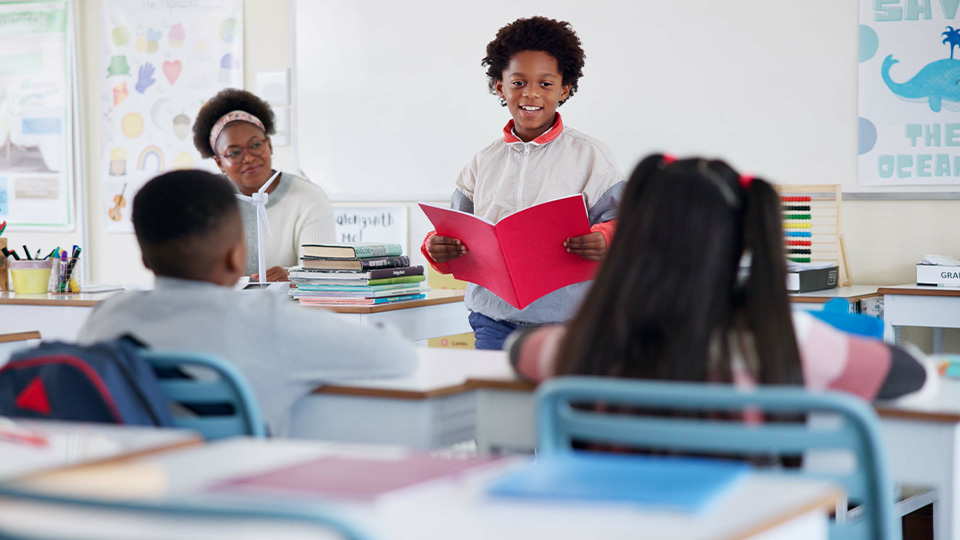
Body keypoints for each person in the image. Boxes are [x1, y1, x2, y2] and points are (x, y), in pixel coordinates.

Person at [510, 154, 935, 401]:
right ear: (743, 243)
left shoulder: (584, 348)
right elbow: (914, 375)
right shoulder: (789, 347)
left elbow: (519, 349)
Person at [79, 170, 417, 435]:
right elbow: (398, 356)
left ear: (145, 257)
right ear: (237, 255)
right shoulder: (268, 320)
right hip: (243, 497)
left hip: (135, 496)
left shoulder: (108, 317)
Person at [422, 16, 624, 350]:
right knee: (496, 400)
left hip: (567, 324)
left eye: (545, 84)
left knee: (553, 401)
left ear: (565, 89)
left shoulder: (591, 157)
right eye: (518, 82)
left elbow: (624, 227)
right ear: (500, 86)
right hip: (493, 320)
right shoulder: (482, 162)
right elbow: (454, 233)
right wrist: (436, 247)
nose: (530, 93)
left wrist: (605, 238)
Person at [193, 89, 334, 282]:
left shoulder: (309, 198)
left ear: (269, 145)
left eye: (256, 145)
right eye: (234, 153)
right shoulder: (205, 201)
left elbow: (324, 271)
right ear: (219, 163)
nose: (249, 158)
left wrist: (293, 276)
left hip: (288, 309)